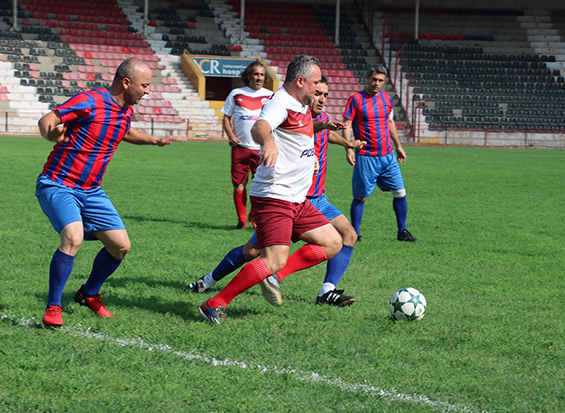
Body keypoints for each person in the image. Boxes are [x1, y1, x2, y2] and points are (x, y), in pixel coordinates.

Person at [185, 76, 364, 307]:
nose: (322, 99)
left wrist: (345, 143)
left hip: (314, 199)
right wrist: (271, 144)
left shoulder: (315, 118)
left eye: (326, 95)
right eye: (318, 93)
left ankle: (325, 290)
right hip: (285, 197)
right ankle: (209, 283)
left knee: (345, 235)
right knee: (252, 251)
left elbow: (318, 131)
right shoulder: (287, 108)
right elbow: (263, 127)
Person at [36, 57, 184, 327]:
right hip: (58, 184)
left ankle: (88, 294)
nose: (147, 91)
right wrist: (52, 135)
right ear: (126, 83)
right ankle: (53, 307)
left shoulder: (125, 110)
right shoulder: (90, 100)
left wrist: (154, 140)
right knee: (73, 237)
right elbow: (48, 120)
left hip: (91, 191)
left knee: (120, 246)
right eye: (145, 85)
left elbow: (124, 132)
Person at [342, 64, 418, 242]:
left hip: (388, 156)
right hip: (366, 156)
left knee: (400, 192)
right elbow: (346, 123)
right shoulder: (356, 99)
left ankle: (402, 231)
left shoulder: (386, 98)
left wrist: (398, 146)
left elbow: (390, 123)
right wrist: (349, 147)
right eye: (374, 79)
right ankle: (355, 233)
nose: (377, 83)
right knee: (360, 196)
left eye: (381, 80)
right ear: (367, 78)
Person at [222, 61, 273, 229]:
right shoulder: (236, 94)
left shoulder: (271, 96)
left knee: (260, 186)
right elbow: (225, 117)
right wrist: (230, 136)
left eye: (262, 75)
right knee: (238, 184)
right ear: (249, 75)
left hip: (261, 150)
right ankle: (242, 220)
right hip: (241, 148)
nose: (259, 78)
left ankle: (254, 216)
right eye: (256, 74)